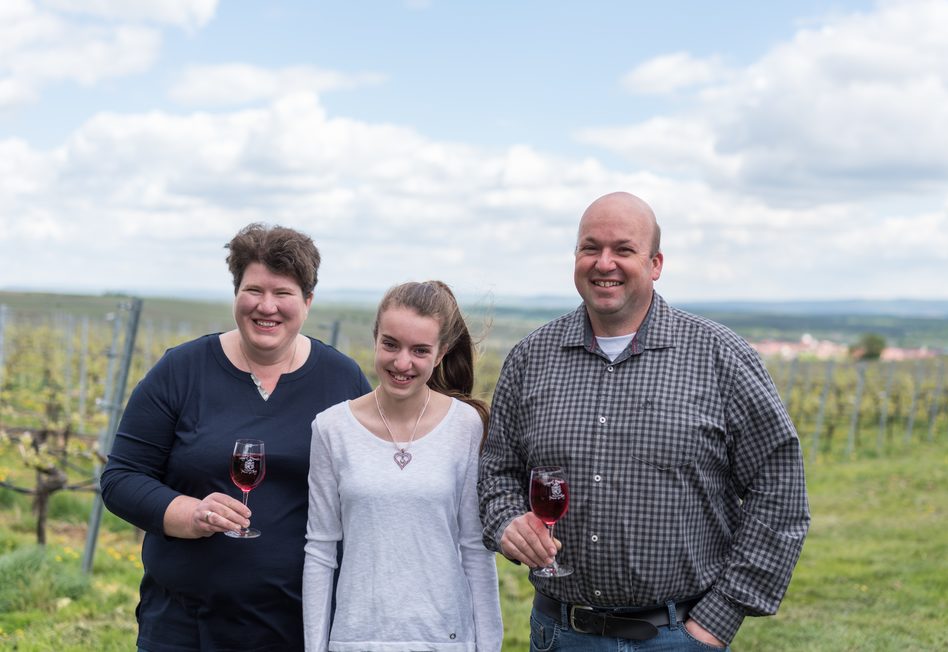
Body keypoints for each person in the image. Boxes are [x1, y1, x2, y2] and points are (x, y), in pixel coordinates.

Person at [478, 192, 810, 650]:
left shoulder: (721, 358)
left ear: (655, 264)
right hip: (560, 633)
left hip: (677, 635)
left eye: (623, 249)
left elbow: (780, 490)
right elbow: (496, 472)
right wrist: (507, 522)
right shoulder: (531, 358)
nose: (604, 263)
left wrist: (720, 617)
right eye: (590, 248)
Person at [101, 223, 371, 652]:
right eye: (253, 290)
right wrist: (190, 513)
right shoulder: (180, 371)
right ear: (236, 294)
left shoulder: (342, 380)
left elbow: (366, 490)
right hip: (184, 626)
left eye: (283, 293)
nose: (267, 306)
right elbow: (121, 479)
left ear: (307, 301)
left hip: (300, 626)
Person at [303, 280, 503, 652]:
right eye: (391, 344)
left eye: (420, 350)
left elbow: (475, 549)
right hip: (356, 640)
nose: (401, 363)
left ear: (441, 354)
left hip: (446, 641)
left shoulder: (466, 426)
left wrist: (489, 645)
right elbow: (320, 550)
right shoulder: (331, 429)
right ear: (375, 339)